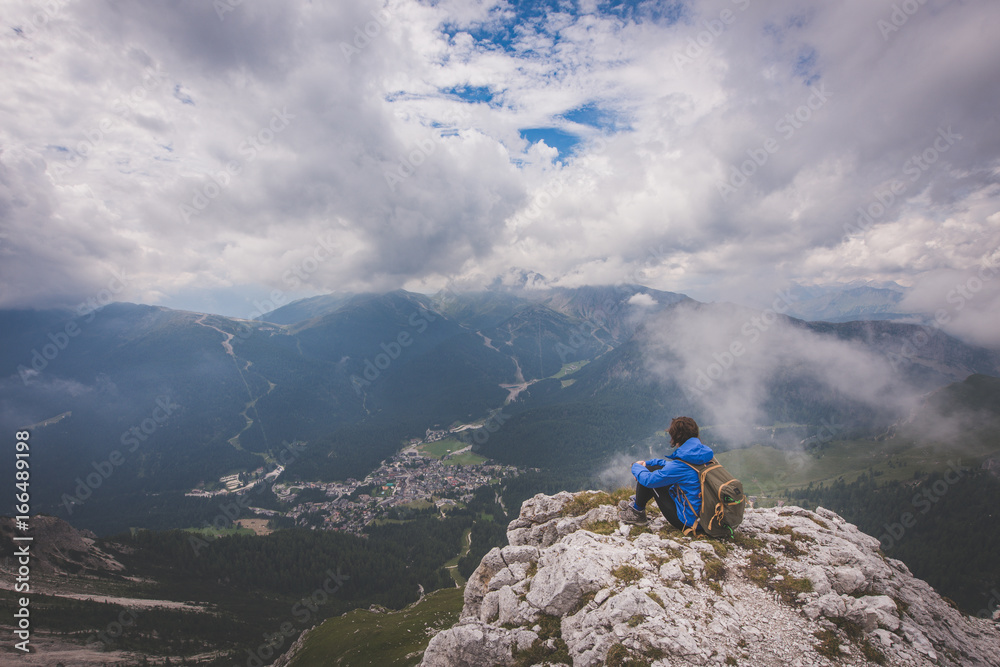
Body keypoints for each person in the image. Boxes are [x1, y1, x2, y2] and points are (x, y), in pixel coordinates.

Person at [617, 416, 713, 532]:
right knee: (652, 468)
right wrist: (649, 463)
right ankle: (637, 503)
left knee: (650, 477)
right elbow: (672, 467)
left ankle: (637, 513)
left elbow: (649, 480)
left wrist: (635, 466)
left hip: (691, 524)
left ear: (675, 437)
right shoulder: (704, 455)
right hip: (708, 518)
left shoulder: (682, 465)